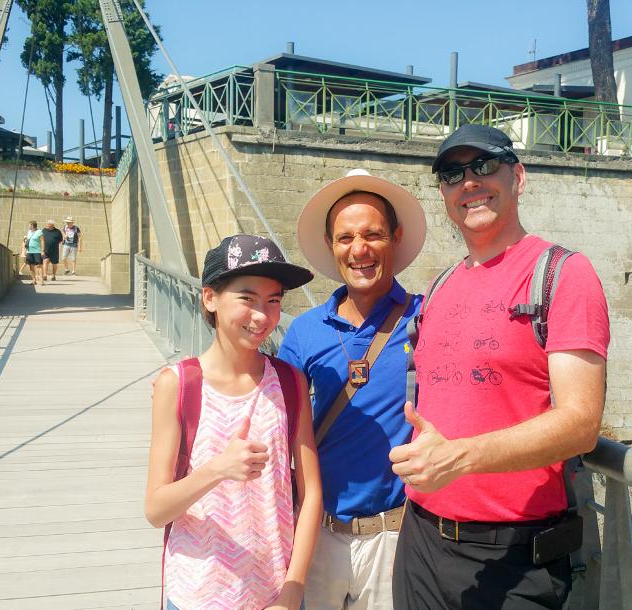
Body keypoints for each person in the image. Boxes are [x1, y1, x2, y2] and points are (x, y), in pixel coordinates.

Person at [389, 125, 610, 610]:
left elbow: (581, 425)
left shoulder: (562, 275)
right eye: (452, 174)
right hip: (422, 538)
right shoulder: (441, 285)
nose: (468, 182)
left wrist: (458, 458)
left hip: (514, 553)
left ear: (519, 177)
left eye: (484, 166)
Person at [145, 234, 322, 610]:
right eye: (247, 298)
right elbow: (156, 509)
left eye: (274, 301)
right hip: (198, 595)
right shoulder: (177, 385)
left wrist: (293, 590)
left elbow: (311, 496)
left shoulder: (290, 382)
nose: (263, 316)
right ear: (209, 297)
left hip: (275, 595)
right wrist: (218, 470)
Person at [279, 169, 427, 610]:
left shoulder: (426, 318)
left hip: (395, 535)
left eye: (372, 235)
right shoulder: (304, 332)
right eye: (345, 238)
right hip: (318, 534)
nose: (358, 249)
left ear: (395, 239)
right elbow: (274, 418)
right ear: (331, 246)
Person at [23, 220, 45, 285]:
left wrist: (42, 250)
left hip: (37, 251)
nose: (29, 226)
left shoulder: (39, 232)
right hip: (29, 251)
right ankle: (34, 280)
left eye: (29, 225)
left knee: (39, 266)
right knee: (31, 266)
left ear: (32, 225)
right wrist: (25, 251)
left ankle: (42, 281)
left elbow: (42, 241)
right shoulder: (29, 232)